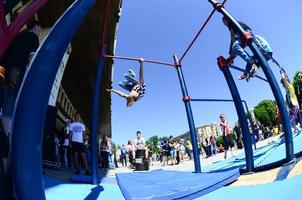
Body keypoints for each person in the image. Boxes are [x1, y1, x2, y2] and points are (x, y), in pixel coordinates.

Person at [0, 20, 41, 136]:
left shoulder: (18, 35)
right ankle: (9, 139)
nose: (39, 32)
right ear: (36, 27)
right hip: (15, 72)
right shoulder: (33, 37)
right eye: (39, 29)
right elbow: (31, 60)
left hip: (2, 68)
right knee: (9, 104)